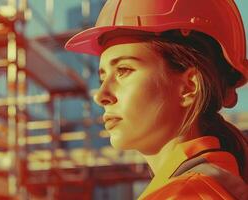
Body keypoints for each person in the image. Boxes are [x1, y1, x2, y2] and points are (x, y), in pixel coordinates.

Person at [65, 0, 248, 199]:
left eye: (123, 70)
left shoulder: (183, 194)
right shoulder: (211, 186)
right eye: (102, 78)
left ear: (189, 87)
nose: (100, 96)